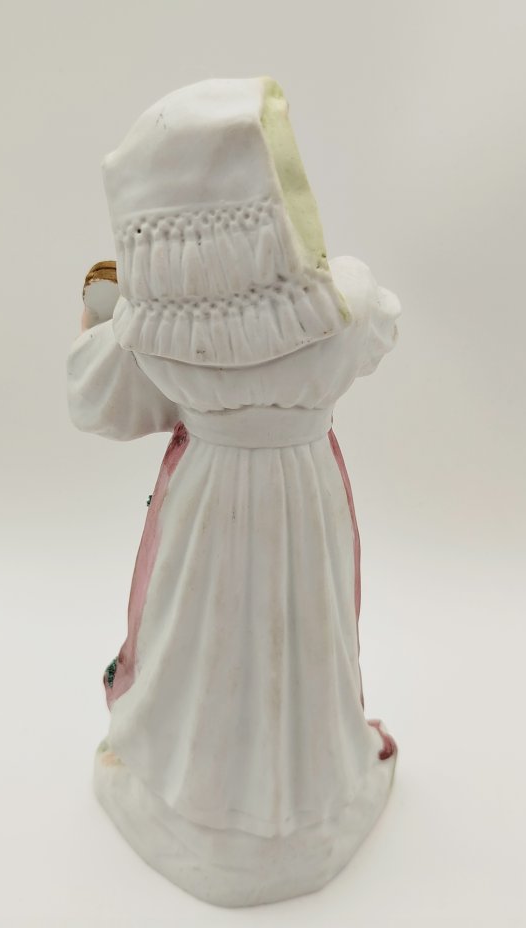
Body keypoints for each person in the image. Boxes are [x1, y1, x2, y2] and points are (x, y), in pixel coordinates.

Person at [67, 76, 401, 907]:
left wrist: (104, 310)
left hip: (207, 508)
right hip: (302, 496)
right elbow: (380, 322)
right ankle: (307, 795)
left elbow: (97, 401)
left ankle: (195, 797)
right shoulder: (342, 309)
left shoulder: (156, 333)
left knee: (201, 642)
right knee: (300, 634)